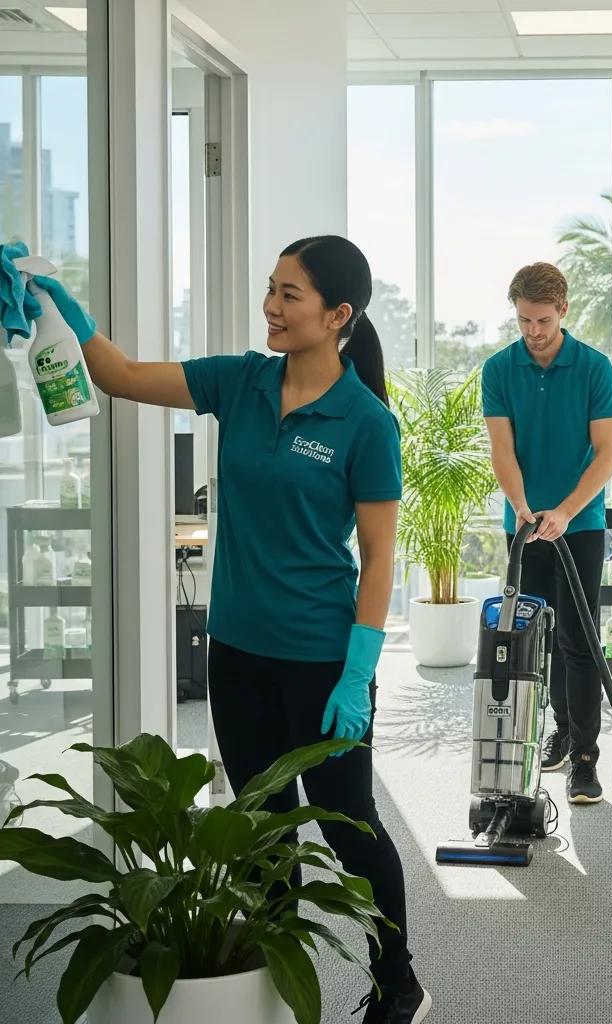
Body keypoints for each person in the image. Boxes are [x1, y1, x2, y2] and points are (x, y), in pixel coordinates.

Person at [22, 236, 430, 1024]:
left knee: (351, 830)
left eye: (291, 296)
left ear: (338, 315)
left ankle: (397, 978)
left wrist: (358, 672)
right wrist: (58, 307)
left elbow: (379, 561)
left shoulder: (367, 423)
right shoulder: (239, 380)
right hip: (239, 653)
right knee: (262, 829)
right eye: (271, 289)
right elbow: (120, 376)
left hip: (322, 660)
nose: (271, 307)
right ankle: (281, 981)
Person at [482, 262, 612, 805]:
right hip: (522, 526)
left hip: (579, 523)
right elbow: (503, 449)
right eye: (523, 321)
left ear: (563, 310)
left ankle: (586, 758)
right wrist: (521, 506)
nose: (533, 331)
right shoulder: (500, 368)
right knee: (538, 642)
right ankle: (562, 731)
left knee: (580, 641)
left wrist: (563, 510)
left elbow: (607, 454)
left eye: (541, 320)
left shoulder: (594, 368)